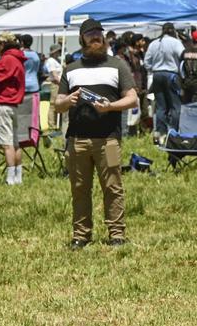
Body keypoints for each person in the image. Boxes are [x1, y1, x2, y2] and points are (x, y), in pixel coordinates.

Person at [52, 19, 139, 248]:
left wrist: (110, 106)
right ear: (82, 39)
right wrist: (66, 101)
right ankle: (81, 235)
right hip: (77, 140)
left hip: (109, 139)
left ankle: (117, 234)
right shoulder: (71, 70)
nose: (96, 38)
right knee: (79, 188)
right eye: (90, 34)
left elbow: (132, 98)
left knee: (113, 186)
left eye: (99, 34)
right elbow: (57, 103)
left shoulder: (117, 65)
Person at [0, 33, 28, 185]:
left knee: (7, 143)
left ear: (3, 45)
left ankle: (10, 179)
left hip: (2, 105)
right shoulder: (18, 59)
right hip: (13, 106)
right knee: (15, 143)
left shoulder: (7, 59)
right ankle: (18, 177)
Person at [144, 23, 185, 138]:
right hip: (172, 75)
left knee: (160, 106)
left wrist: (154, 70)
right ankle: (174, 132)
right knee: (175, 106)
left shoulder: (153, 43)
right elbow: (183, 56)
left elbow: (146, 62)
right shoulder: (175, 42)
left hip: (157, 75)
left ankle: (160, 132)